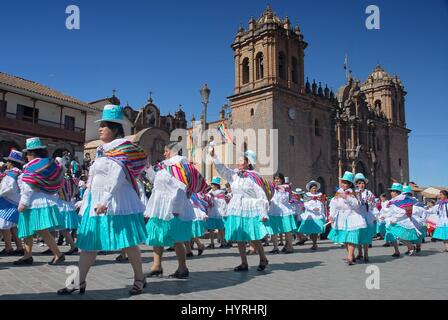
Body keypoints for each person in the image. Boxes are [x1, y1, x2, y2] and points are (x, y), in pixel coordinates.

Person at [58, 105, 148, 295]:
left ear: (115, 129)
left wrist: (105, 201)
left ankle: (140, 278)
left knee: (129, 242)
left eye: (104, 125)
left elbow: (117, 177)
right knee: (89, 243)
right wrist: (86, 199)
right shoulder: (101, 150)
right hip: (96, 202)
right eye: (100, 125)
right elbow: (93, 177)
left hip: (118, 202)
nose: (99, 128)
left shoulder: (121, 148)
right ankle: (77, 282)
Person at [145, 142, 208, 279]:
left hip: (173, 207)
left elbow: (181, 189)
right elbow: (155, 180)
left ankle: (182, 268)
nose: (164, 153)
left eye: (166, 151)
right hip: (159, 206)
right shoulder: (165, 166)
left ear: (173, 151)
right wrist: (148, 167)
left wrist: (177, 208)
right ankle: (156, 266)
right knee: (157, 236)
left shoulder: (180, 167)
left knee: (177, 239)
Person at [209, 148, 270, 272]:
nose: (238, 163)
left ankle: (263, 258)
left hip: (250, 207)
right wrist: (214, 156)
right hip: (236, 207)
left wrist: (263, 211)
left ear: (248, 163)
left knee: (253, 235)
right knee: (239, 235)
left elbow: (261, 194)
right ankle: (244, 263)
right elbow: (222, 169)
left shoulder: (254, 176)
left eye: (241, 160)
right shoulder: (234, 175)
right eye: (238, 161)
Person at [14, 137, 65, 266]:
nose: (26, 157)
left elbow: (28, 188)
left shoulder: (32, 166)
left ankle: (57, 254)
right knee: (37, 230)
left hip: (33, 203)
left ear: (32, 153)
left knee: (36, 230)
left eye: (27, 154)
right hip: (43, 201)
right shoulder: (47, 164)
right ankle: (28, 255)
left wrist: (23, 203)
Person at [328, 171, 365, 266]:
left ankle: (349, 257)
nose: (343, 184)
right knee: (344, 239)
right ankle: (351, 256)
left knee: (351, 237)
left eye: (345, 182)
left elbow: (357, 205)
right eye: (342, 182)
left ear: (349, 184)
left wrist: (347, 198)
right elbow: (333, 205)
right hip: (341, 218)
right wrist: (331, 215)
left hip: (352, 217)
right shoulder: (338, 193)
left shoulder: (354, 192)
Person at [383, 183, 421, 257]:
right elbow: (390, 211)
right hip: (392, 221)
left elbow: (403, 212)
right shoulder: (393, 201)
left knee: (401, 237)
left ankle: (411, 246)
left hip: (401, 222)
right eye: (391, 191)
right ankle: (398, 250)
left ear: (397, 192)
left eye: (393, 191)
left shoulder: (403, 200)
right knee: (394, 236)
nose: (391, 193)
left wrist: (395, 219)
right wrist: (384, 216)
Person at [0, 150, 25, 256]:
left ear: (11, 162)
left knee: (3, 225)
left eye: (8, 162)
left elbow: (8, 188)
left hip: (8, 203)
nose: (6, 164)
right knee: (13, 226)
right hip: (16, 202)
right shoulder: (19, 173)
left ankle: (8, 247)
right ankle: (19, 247)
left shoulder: (11, 174)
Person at [267, 173, 297, 254]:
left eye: (278, 179)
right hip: (273, 210)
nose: (276, 180)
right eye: (275, 179)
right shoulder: (272, 187)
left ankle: (290, 247)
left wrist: (280, 190)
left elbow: (285, 199)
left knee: (287, 230)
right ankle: (275, 247)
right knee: (273, 230)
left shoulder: (286, 187)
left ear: (282, 179)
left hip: (284, 211)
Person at [354, 173, 376, 262]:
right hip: (357, 216)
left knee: (366, 236)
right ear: (356, 184)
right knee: (358, 235)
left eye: (362, 183)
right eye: (359, 183)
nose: (361, 185)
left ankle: (366, 254)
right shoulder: (354, 192)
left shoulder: (368, 192)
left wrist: (368, 202)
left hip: (366, 216)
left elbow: (372, 203)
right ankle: (359, 253)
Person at [297, 181, 326, 251]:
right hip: (310, 215)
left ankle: (314, 243)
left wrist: (322, 211)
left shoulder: (320, 195)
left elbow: (322, 203)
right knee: (311, 231)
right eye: (313, 188)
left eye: (315, 188)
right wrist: (313, 208)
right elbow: (305, 204)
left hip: (318, 215)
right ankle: (313, 242)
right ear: (310, 189)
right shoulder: (306, 195)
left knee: (315, 231)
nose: (314, 190)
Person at [206, 177, 227, 249]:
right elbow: (208, 201)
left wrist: (214, 198)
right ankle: (212, 243)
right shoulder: (209, 192)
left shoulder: (220, 193)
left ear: (217, 185)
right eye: (211, 185)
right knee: (211, 229)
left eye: (213, 185)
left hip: (218, 213)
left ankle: (223, 242)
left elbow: (222, 203)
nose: (211, 186)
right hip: (211, 212)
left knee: (220, 228)